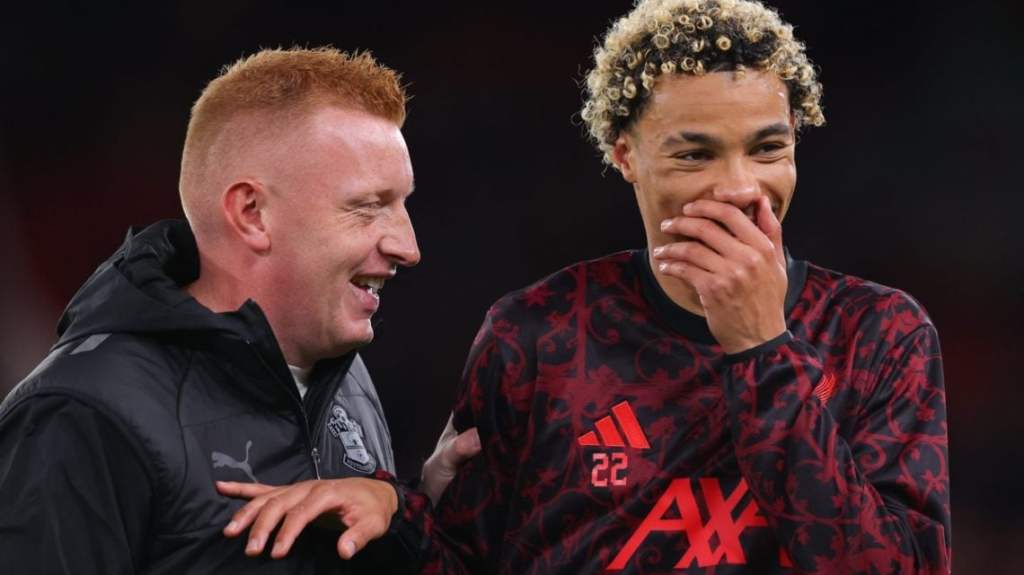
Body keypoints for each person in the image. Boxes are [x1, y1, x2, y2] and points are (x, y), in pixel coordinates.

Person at [418, 0, 951, 573]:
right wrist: (408, 512)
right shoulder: (535, 333)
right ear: (626, 156)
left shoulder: (880, 334)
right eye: (696, 155)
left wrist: (762, 349)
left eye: (767, 149)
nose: (740, 187)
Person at [0, 47, 477, 574]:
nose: (408, 247)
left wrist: (414, 513)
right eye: (367, 207)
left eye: (403, 204)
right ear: (252, 214)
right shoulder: (83, 411)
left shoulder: (344, 376)